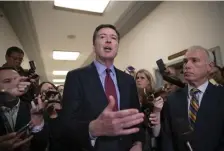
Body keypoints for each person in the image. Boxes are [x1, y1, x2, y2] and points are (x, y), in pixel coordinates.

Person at [60, 24, 145, 151]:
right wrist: (92, 128)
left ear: (117, 47)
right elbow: (67, 124)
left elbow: (136, 116)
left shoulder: (128, 80)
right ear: (94, 46)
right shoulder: (75, 77)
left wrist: (138, 143)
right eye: (102, 37)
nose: (109, 40)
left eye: (113, 38)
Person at [161, 46, 224, 151]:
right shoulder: (172, 100)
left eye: (195, 60)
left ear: (210, 66)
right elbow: (167, 138)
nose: (187, 66)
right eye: (185, 61)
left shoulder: (221, 95)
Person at [0, 67, 48, 151]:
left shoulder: (33, 109)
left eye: (18, 80)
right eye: (7, 81)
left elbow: (41, 146)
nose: (15, 84)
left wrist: (38, 125)